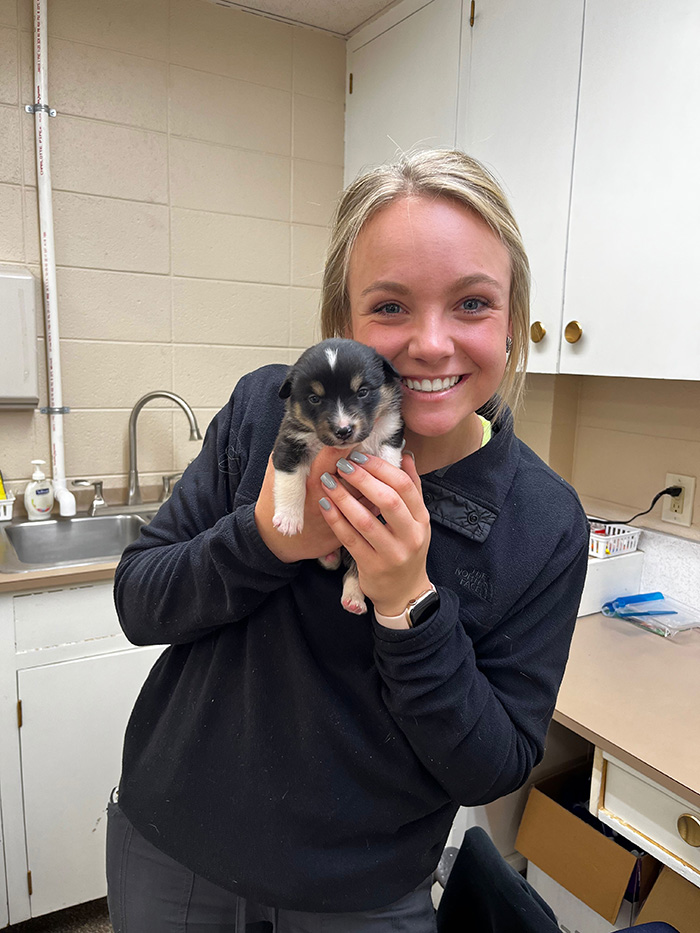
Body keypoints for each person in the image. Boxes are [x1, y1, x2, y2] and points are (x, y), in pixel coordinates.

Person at [107, 149, 589, 933]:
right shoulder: (266, 411)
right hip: (174, 836)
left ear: (511, 320)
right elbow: (139, 600)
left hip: (364, 893)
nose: (431, 345)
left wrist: (407, 602)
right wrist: (266, 537)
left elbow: (492, 765)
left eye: (471, 303)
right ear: (343, 324)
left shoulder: (541, 520)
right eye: (391, 307)